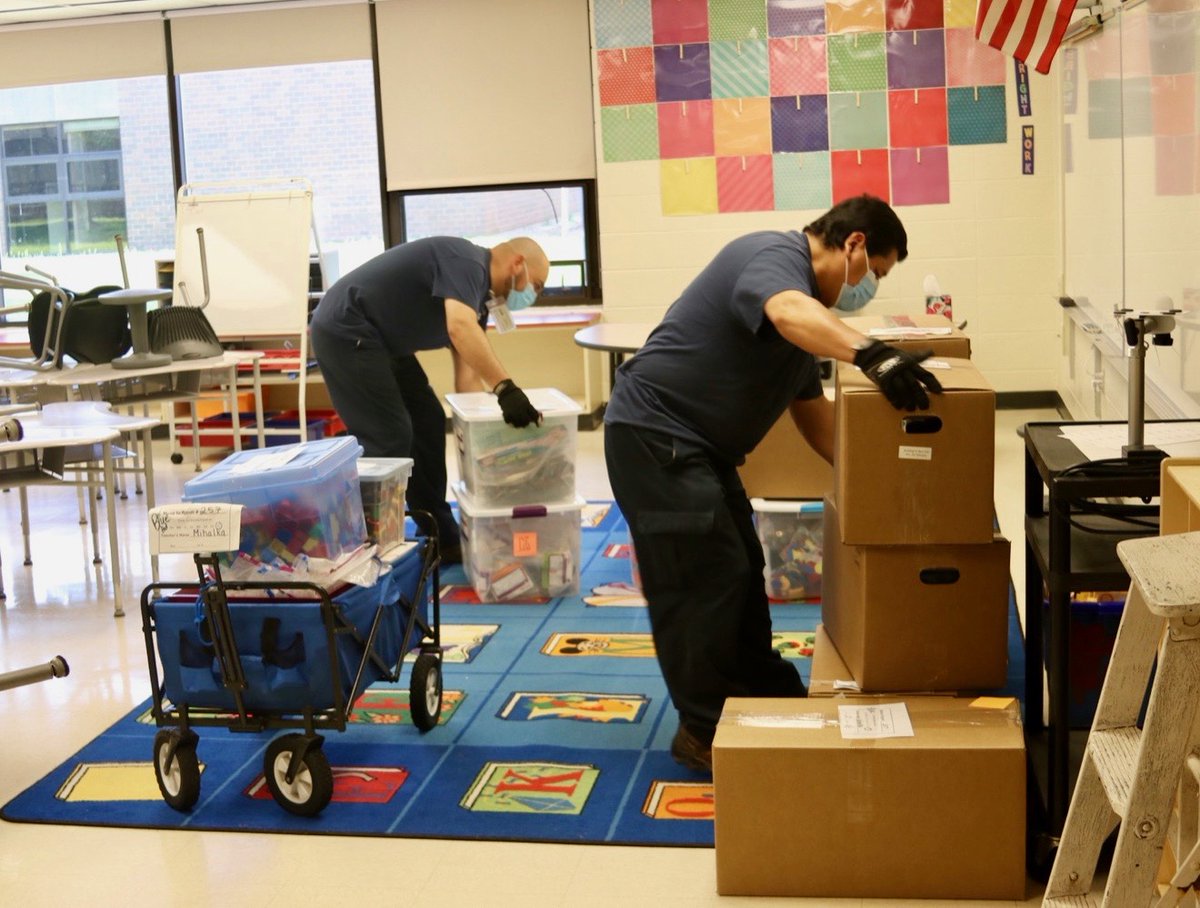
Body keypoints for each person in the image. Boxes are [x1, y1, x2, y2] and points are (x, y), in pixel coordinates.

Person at [603, 194, 943, 773]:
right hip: (653, 435)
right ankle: (703, 730)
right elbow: (786, 309)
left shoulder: (803, 329)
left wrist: (896, 478)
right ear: (853, 244)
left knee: (740, 569)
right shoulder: (772, 257)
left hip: (698, 450)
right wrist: (871, 354)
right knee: (699, 583)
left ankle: (761, 694)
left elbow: (821, 426)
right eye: (875, 273)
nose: (869, 288)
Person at [310, 236, 549, 563]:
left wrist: (482, 437)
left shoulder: (478, 301)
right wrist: (506, 390)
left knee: (428, 420)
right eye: (536, 285)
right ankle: (357, 539)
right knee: (389, 435)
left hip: (382, 342)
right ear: (517, 265)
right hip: (347, 326)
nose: (533, 296)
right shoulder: (467, 263)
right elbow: (459, 328)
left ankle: (437, 528)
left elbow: (466, 378)